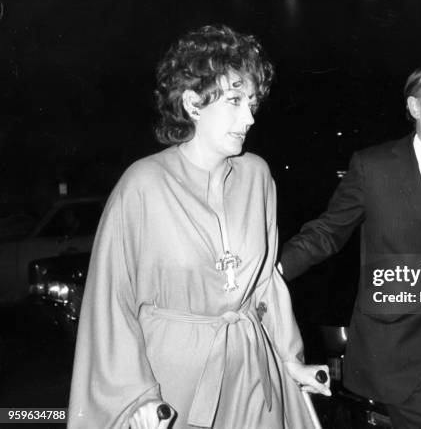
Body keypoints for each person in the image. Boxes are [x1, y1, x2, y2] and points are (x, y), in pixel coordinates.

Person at [67, 24, 330, 429]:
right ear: (193, 103)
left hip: (250, 375)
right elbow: (111, 302)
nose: (250, 117)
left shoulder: (257, 176)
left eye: (253, 103)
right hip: (173, 384)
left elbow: (265, 286)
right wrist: (136, 396)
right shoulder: (143, 184)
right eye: (235, 101)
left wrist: (289, 359)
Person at [280, 60, 421, 429]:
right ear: (415, 108)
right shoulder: (374, 167)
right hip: (399, 342)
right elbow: (327, 232)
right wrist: (273, 271)